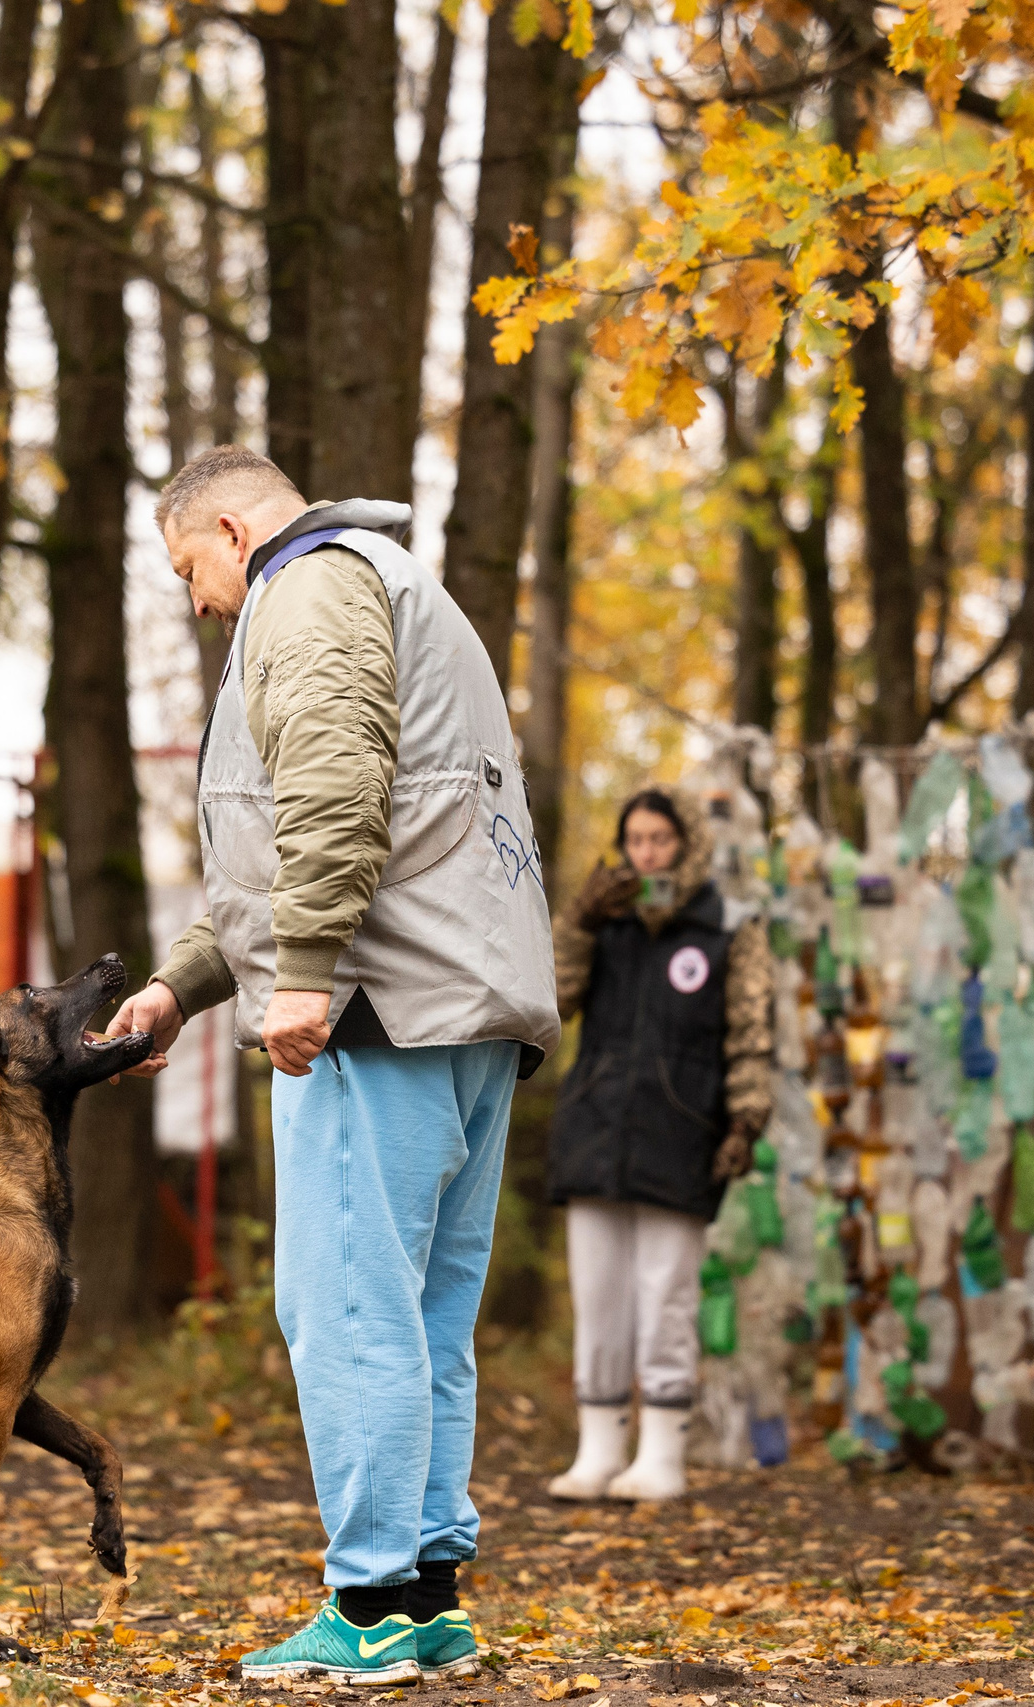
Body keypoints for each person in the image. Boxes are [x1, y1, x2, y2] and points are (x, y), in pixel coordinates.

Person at [106, 446, 558, 1686]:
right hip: (463, 1006)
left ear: (232, 528)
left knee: (350, 1311)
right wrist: (182, 984)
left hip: (374, 1009)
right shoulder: (392, 582)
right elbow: (329, 829)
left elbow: (333, 789)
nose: (197, 599)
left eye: (188, 567)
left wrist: (303, 972)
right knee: (424, 1320)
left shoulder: (303, 587)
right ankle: (427, 1600)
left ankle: (365, 1613)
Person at [542, 789, 771, 1503]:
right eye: (634, 840)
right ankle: (599, 1449)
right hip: (595, 1126)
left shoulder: (729, 927)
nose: (646, 855)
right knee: (598, 1295)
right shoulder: (601, 921)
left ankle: (662, 1454)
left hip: (683, 1131)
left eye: (660, 840)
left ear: (689, 844)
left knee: (666, 1294)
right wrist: (578, 923)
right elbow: (551, 1002)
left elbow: (752, 1034)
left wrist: (747, 1119)